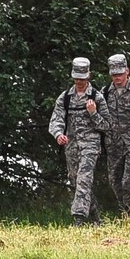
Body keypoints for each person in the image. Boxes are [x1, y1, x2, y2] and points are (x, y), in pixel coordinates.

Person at [47, 56, 107, 223]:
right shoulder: (65, 97)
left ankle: (78, 218)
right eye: (76, 78)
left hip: (91, 145)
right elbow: (56, 119)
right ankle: (96, 218)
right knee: (76, 182)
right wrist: (59, 134)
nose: (79, 81)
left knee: (84, 178)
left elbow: (107, 125)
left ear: (89, 76)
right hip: (72, 146)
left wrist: (93, 113)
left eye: (83, 78)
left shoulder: (97, 97)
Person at [98, 54, 130, 216]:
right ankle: (126, 212)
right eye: (114, 74)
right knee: (115, 181)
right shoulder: (104, 93)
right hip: (114, 145)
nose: (117, 77)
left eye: (120, 73)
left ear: (127, 71)